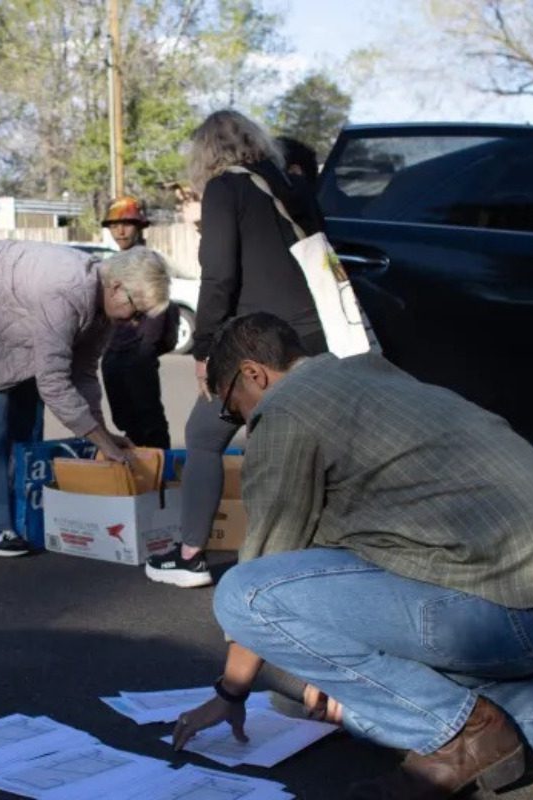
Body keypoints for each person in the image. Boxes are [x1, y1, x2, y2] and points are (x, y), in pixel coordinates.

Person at [169, 312, 533, 800]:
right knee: (364, 714)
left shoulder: (285, 409)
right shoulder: (370, 374)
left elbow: (265, 572)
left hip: (499, 615)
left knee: (241, 595)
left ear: (254, 373)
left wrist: (230, 694)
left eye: (232, 407)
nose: (237, 422)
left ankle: (464, 737)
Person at [145, 109, 330, 589]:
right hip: (317, 337)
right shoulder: (289, 186)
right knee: (305, 449)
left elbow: (220, 275)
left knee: (204, 436)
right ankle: (320, 559)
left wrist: (205, 348)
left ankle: (189, 557)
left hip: (260, 342)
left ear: (206, 152)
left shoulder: (227, 188)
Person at [0, 240, 171, 557]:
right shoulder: (67, 290)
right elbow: (54, 382)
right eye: (137, 310)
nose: (135, 322)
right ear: (116, 286)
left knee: (23, 402)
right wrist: (101, 442)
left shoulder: (104, 307)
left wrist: (102, 434)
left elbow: (83, 373)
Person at [99, 196, 179, 449]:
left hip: (139, 354)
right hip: (113, 354)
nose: (120, 231)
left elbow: (162, 312)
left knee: (149, 423)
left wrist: (147, 349)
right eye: (114, 225)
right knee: (126, 422)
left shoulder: (149, 261)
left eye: (127, 224)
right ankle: (138, 476)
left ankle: (159, 477)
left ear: (140, 227)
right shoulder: (112, 263)